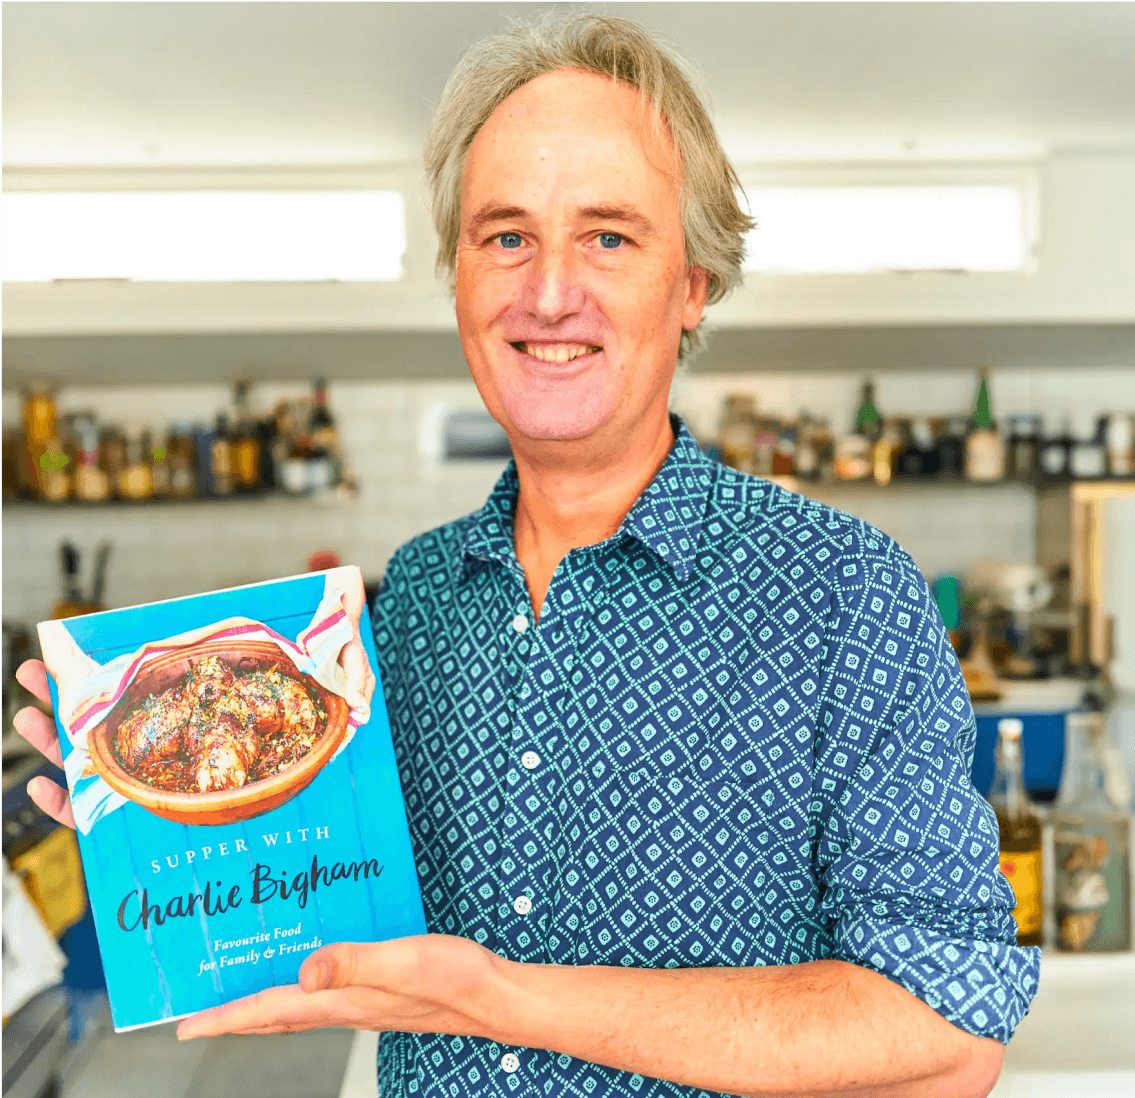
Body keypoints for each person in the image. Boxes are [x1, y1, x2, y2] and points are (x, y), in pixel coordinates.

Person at [15, 13, 1038, 1098]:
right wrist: (179, 841)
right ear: (458, 278)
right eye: (505, 235)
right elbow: (336, 893)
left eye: (609, 235)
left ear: (692, 285)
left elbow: (944, 1031)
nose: (549, 292)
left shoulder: (841, 593)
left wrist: (496, 996)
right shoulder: (406, 604)